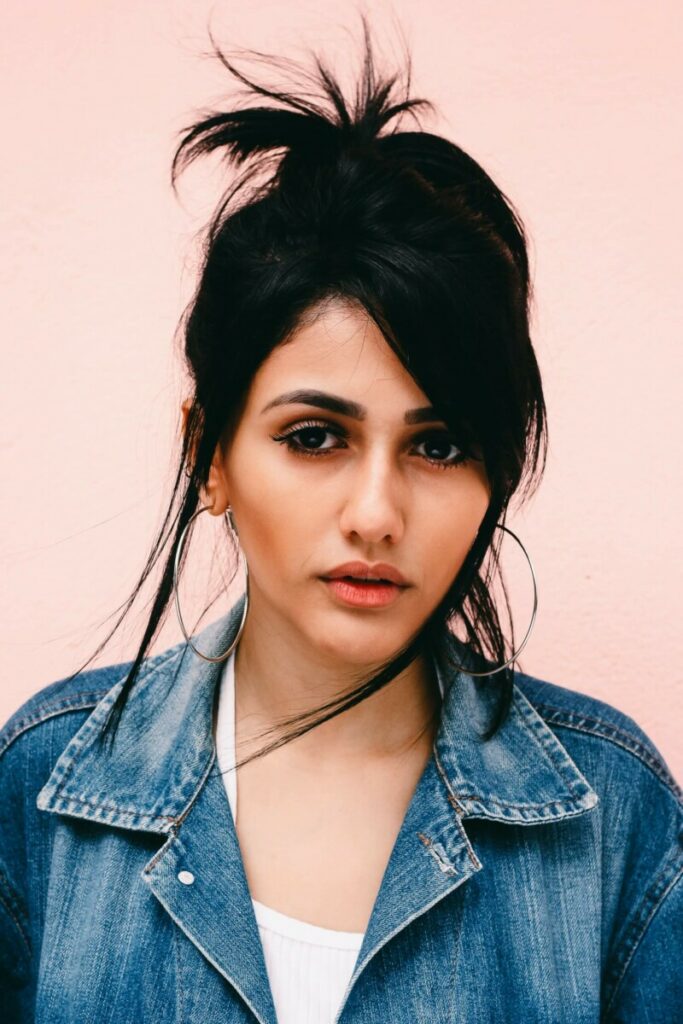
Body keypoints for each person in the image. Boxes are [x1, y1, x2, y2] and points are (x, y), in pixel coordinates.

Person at [1, 17, 681, 1024]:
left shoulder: (609, 816)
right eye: (315, 436)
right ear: (211, 457)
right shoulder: (45, 791)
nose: (375, 512)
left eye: (439, 444)